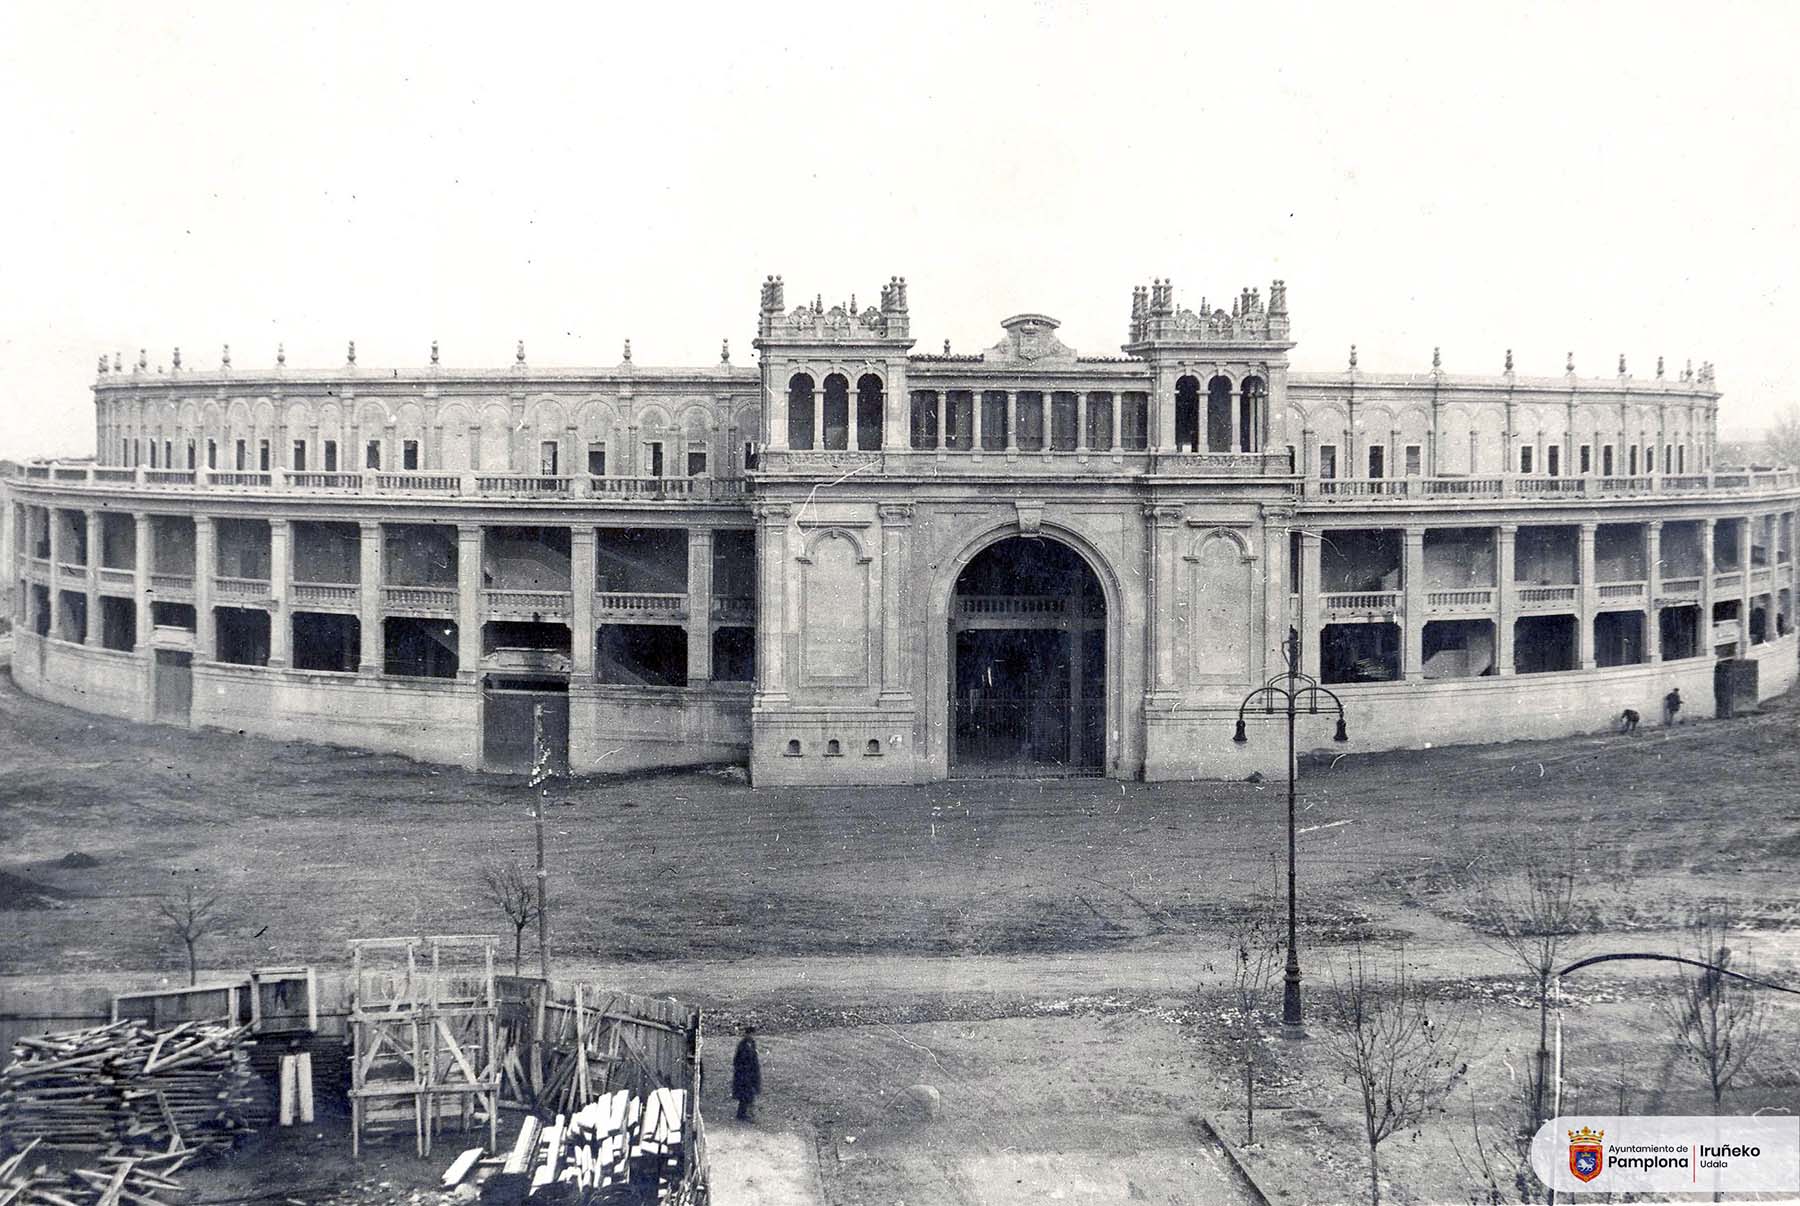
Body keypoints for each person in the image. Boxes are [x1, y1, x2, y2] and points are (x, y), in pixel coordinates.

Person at [732, 1025, 761, 1121]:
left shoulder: (752, 1043)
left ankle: (746, 1113)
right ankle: (743, 1114)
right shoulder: (743, 1045)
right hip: (744, 1074)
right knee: (745, 1094)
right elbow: (738, 1060)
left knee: (749, 1094)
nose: (751, 1036)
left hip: (750, 1073)